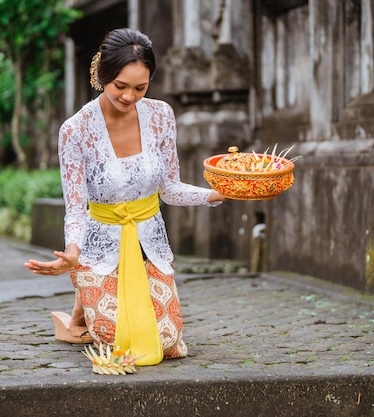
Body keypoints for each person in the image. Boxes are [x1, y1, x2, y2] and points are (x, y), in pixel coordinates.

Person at [24, 28, 225, 366]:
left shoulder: (161, 116)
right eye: (121, 86)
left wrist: (217, 194)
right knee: (122, 347)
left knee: (167, 343)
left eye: (140, 87)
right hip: (100, 243)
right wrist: (72, 251)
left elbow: (170, 189)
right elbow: (75, 209)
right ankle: (85, 297)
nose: (130, 96)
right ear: (102, 76)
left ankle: (82, 308)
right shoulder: (75, 130)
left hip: (149, 244)